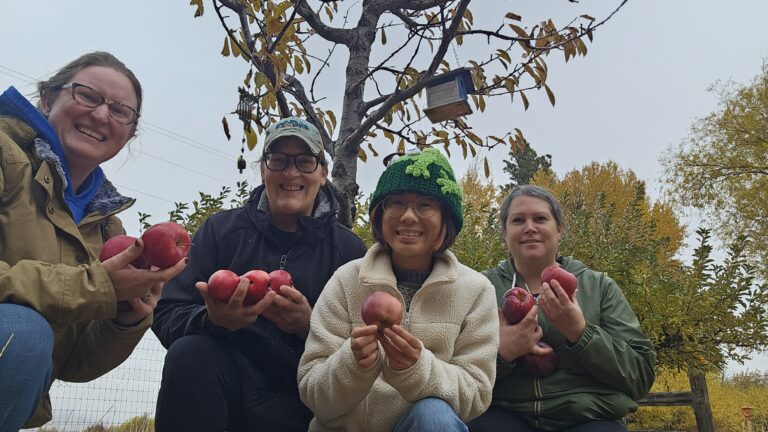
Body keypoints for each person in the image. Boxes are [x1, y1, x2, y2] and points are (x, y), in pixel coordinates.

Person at [0, 51, 187, 430]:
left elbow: (71, 363)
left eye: (121, 111)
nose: (102, 115)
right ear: (48, 99)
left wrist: (127, 318)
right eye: (87, 96)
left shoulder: (107, 229)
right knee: (22, 332)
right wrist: (92, 285)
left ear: (129, 134)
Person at [151, 116, 367, 432]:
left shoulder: (349, 253)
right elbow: (167, 311)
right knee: (189, 353)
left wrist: (310, 327)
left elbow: (365, 349)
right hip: (227, 389)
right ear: (263, 169)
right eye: (278, 160)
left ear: (322, 174)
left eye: (305, 162)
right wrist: (213, 321)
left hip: (308, 403)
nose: (291, 172)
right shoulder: (220, 232)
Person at [298, 148, 500, 432]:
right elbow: (312, 392)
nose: (408, 216)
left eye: (425, 205)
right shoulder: (347, 280)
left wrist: (417, 368)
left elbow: (477, 393)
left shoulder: (476, 292)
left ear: (447, 218)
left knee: (434, 416)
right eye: (396, 203)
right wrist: (352, 364)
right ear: (379, 214)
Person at [467, 185, 656, 432]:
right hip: (505, 413)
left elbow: (640, 376)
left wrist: (580, 332)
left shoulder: (598, 287)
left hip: (588, 418)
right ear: (505, 232)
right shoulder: (481, 288)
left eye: (540, 219)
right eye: (518, 220)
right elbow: (460, 375)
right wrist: (503, 354)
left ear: (559, 230)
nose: (530, 227)